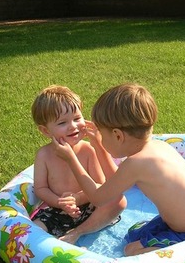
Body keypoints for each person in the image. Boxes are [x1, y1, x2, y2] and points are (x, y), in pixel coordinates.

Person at [52, 83, 185, 255]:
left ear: (117, 135)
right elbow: (116, 182)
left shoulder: (136, 163)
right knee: (133, 234)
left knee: (131, 251)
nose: (101, 139)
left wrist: (71, 159)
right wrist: (99, 145)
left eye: (103, 135)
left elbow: (99, 198)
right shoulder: (157, 147)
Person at [31, 85, 126, 244]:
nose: (73, 126)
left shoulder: (88, 150)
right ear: (46, 131)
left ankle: (78, 232)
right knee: (34, 230)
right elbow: (41, 188)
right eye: (62, 123)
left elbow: (101, 186)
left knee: (118, 201)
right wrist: (59, 202)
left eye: (77, 118)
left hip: (90, 207)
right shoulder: (44, 155)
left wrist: (78, 198)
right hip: (57, 210)